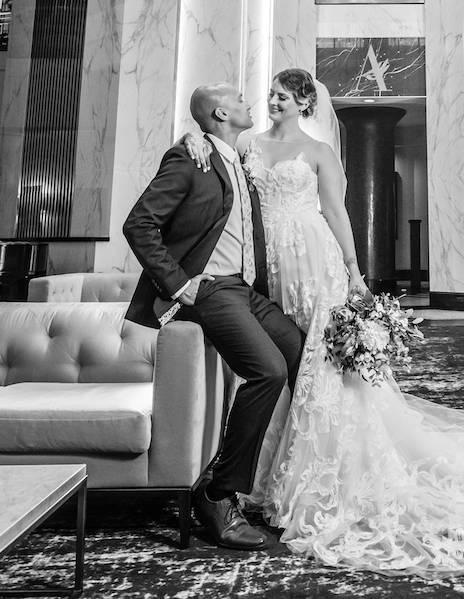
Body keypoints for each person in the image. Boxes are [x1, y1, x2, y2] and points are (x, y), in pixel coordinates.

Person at [184, 69, 464, 578]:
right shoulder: (249, 147)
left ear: (305, 102)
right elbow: (214, 152)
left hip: (314, 261)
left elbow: (336, 213)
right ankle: (266, 469)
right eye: (269, 95)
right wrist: (194, 137)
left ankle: (325, 474)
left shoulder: (320, 152)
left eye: (282, 96)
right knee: (283, 362)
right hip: (268, 268)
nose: (271, 102)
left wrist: (352, 274)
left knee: (321, 366)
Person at [123, 83, 306, 551]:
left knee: (301, 352)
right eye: (242, 100)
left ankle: (286, 481)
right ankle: (217, 492)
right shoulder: (189, 158)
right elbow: (138, 224)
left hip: (244, 290)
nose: (251, 103)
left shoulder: (232, 158)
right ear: (221, 112)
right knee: (267, 370)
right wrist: (180, 285)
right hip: (209, 289)